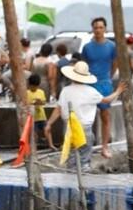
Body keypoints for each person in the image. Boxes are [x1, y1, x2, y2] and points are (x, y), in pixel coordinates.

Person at [45, 61, 126, 169]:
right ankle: (83, 179)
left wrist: (49, 123)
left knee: (72, 159)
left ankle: (72, 178)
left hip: (69, 128)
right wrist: (118, 91)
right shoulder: (91, 91)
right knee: (84, 160)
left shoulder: (65, 91)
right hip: (84, 129)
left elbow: (58, 109)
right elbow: (106, 100)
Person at [79, 18, 120, 159]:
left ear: (105, 29)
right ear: (93, 29)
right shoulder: (87, 47)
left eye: (101, 27)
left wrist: (108, 77)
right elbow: (83, 66)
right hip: (89, 83)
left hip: (104, 83)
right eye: (96, 27)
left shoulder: (111, 46)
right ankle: (86, 146)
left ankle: (105, 146)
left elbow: (115, 64)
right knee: (86, 116)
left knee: (105, 116)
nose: (98, 30)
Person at [25, 73, 49, 147]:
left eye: (36, 87)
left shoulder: (41, 92)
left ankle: (50, 144)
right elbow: (26, 104)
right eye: (32, 87)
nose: (34, 88)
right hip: (33, 117)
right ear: (29, 85)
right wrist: (32, 103)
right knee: (34, 132)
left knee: (47, 130)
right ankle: (34, 146)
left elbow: (44, 102)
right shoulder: (27, 93)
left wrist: (40, 102)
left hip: (41, 116)